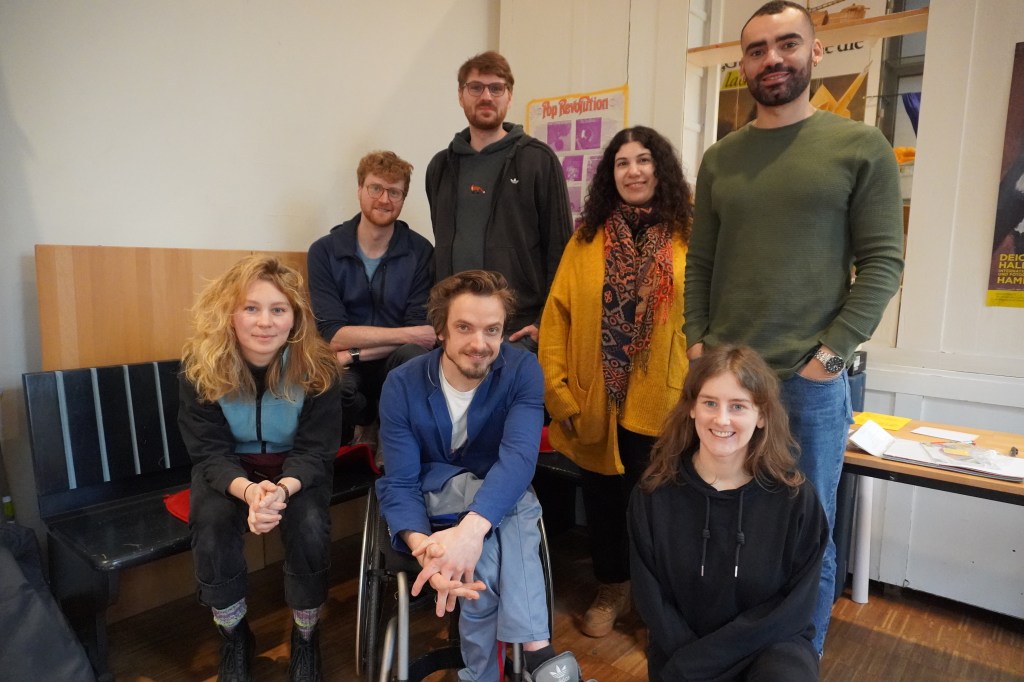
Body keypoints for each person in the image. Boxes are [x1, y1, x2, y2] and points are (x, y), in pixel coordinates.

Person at [683, 0, 905, 655]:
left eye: (786, 44)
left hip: (808, 387)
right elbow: (702, 261)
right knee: (720, 524)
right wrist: (697, 343)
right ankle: (728, 651)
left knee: (809, 535)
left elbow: (885, 262)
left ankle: (793, 660)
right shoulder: (722, 158)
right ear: (743, 64)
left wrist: (830, 359)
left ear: (814, 52)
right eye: (756, 49)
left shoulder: (859, 146)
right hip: (724, 383)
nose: (771, 59)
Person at [376, 270, 592, 682]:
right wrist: (425, 549)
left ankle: (484, 674)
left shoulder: (522, 370)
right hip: (435, 501)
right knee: (522, 502)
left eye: (492, 330)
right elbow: (400, 481)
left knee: (488, 558)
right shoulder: (402, 384)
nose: (479, 344)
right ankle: (536, 654)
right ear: (440, 330)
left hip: (496, 499)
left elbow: (518, 458)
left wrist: (470, 534)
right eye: (464, 328)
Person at [539, 126, 692, 638]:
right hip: (596, 398)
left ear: (660, 169)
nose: (633, 171)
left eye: (644, 160)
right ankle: (612, 586)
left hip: (664, 398)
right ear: (611, 175)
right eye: (622, 163)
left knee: (659, 505)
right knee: (604, 501)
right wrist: (559, 393)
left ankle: (656, 601)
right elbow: (556, 317)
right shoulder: (585, 242)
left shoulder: (688, 237)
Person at [178, 255, 341, 682]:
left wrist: (281, 490)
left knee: (308, 524)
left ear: (295, 319)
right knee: (210, 521)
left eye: (278, 309)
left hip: (295, 470)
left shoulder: (320, 369)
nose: (264, 321)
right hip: (230, 469)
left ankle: (306, 636)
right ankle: (234, 636)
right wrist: (249, 492)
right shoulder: (200, 367)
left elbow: (317, 451)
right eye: (251, 307)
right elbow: (208, 452)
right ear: (229, 314)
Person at [629, 345, 828, 682]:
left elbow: (795, 607)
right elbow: (652, 599)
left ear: (761, 415)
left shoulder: (796, 498)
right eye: (710, 403)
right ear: (692, 408)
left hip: (770, 648)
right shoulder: (653, 493)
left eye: (738, 406)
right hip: (683, 650)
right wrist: (691, 665)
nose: (721, 419)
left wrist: (703, 662)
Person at [425, 50, 572, 348]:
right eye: (475, 87)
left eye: (496, 88)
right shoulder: (440, 167)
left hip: (518, 332)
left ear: (509, 96)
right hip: (457, 331)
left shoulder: (538, 161)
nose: (486, 97)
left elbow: (562, 251)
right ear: (461, 95)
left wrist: (543, 323)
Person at [308, 150, 436, 448]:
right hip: (346, 367)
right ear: (359, 190)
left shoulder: (421, 252)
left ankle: (394, 441)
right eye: (375, 188)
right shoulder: (324, 252)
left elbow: (420, 339)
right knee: (331, 382)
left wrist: (354, 351)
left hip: (395, 361)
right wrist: (405, 334)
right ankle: (361, 433)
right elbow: (333, 334)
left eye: (395, 192)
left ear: (403, 199)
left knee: (416, 359)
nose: (384, 199)